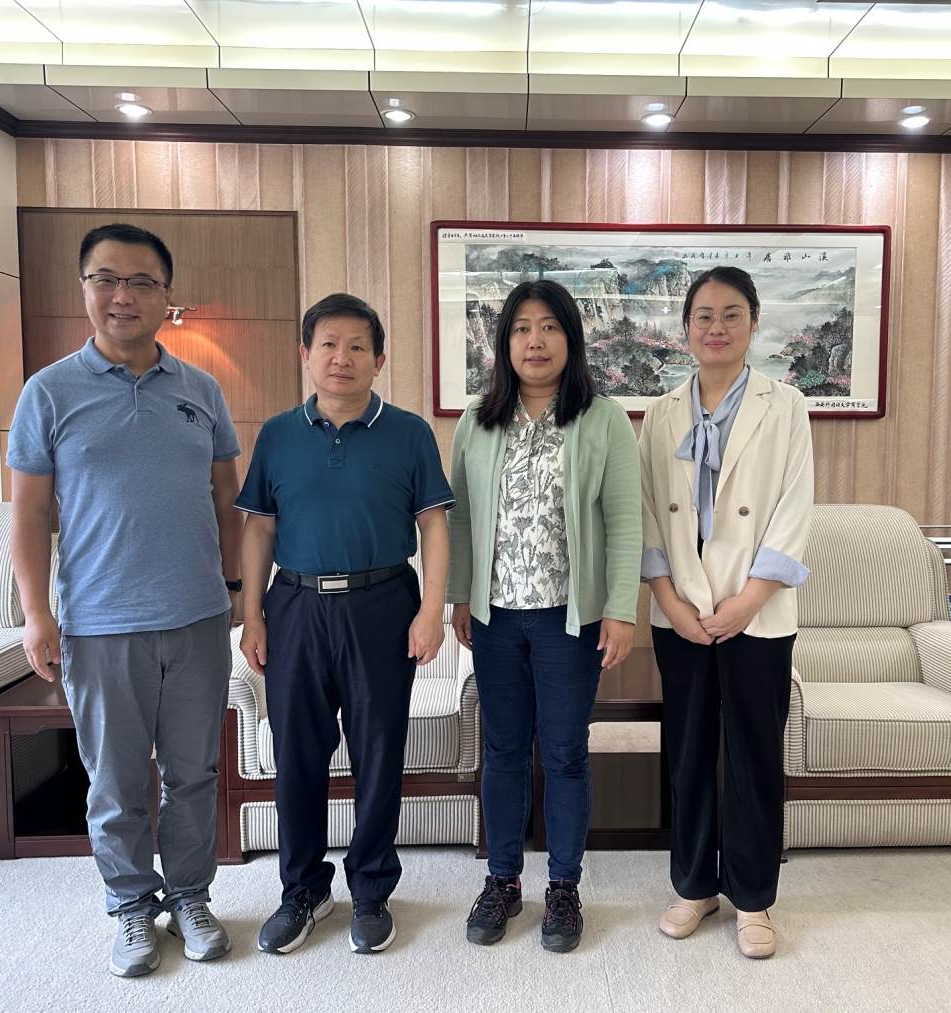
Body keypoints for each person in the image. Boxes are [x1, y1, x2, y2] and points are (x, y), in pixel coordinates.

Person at [8, 223, 242, 978]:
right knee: (114, 781)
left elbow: (227, 498)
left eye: (142, 282)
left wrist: (237, 589)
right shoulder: (48, 392)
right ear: (84, 288)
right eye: (106, 279)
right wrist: (36, 613)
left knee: (193, 774)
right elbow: (28, 515)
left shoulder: (201, 390)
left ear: (166, 296)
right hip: (100, 622)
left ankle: (191, 897)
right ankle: (131, 905)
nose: (123, 296)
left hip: (197, 616)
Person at [237, 293, 452, 956]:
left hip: (381, 602)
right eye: (328, 344)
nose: (342, 358)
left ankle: (371, 889)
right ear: (305, 354)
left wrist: (431, 609)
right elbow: (260, 527)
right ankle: (303, 889)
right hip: (296, 606)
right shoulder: (277, 434)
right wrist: (252, 614)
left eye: (358, 346)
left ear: (379, 360)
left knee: (378, 750)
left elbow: (433, 524)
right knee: (297, 754)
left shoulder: (409, 432)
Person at [448, 279, 641, 953]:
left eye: (549, 327)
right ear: (504, 342)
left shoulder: (603, 419)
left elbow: (625, 521)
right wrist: (460, 596)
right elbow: (461, 518)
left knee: (563, 752)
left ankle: (563, 885)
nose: (535, 340)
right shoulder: (478, 420)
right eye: (522, 328)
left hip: (570, 619)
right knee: (503, 749)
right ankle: (502, 879)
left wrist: (619, 609)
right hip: (496, 616)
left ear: (571, 339)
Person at [637, 265, 814, 959]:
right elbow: (645, 512)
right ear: (685, 329)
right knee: (687, 753)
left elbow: (795, 507)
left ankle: (754, 896)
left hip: (757, 611)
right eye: (703, 316)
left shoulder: (785, 405)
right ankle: (692, 885)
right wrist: (667, 598)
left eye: (731, 314)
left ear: (753, 323)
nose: (716, 327)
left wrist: (747, 600)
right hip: (680, 610)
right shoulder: (660, 413)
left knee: (753, 754)